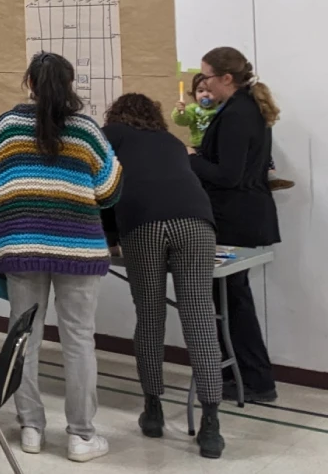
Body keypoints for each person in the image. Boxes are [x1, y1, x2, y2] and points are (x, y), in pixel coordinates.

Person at [0, 52, 122, 462]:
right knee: (79, 341)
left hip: (20, 246)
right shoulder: (86, 130)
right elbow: (110, 190)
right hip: (79, 249)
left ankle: (30, 428)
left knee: (24, 338)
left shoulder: (6, 127)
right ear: (70, 84)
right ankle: (81, 436)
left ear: (30, 83)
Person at [100, 93, 224, 458]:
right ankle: (211, 425)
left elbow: (105, 189)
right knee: (200, 317)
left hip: (143, 223)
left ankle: (153, 411)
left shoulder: (110, 135)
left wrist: (111, 237)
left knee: (150, 317)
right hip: (197, 222)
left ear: (116, 114)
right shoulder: (171, 141)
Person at [190, 46, 280, 403]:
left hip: (235, 217)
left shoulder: (237, 114)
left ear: (227, 78)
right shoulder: (242, 108)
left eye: (207, 77)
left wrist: (191, 159)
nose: (204, 83)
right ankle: (238, 376)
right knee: (230, 300)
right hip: (240, 214)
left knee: (233, 302)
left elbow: (228, 175)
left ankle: (255, 380)